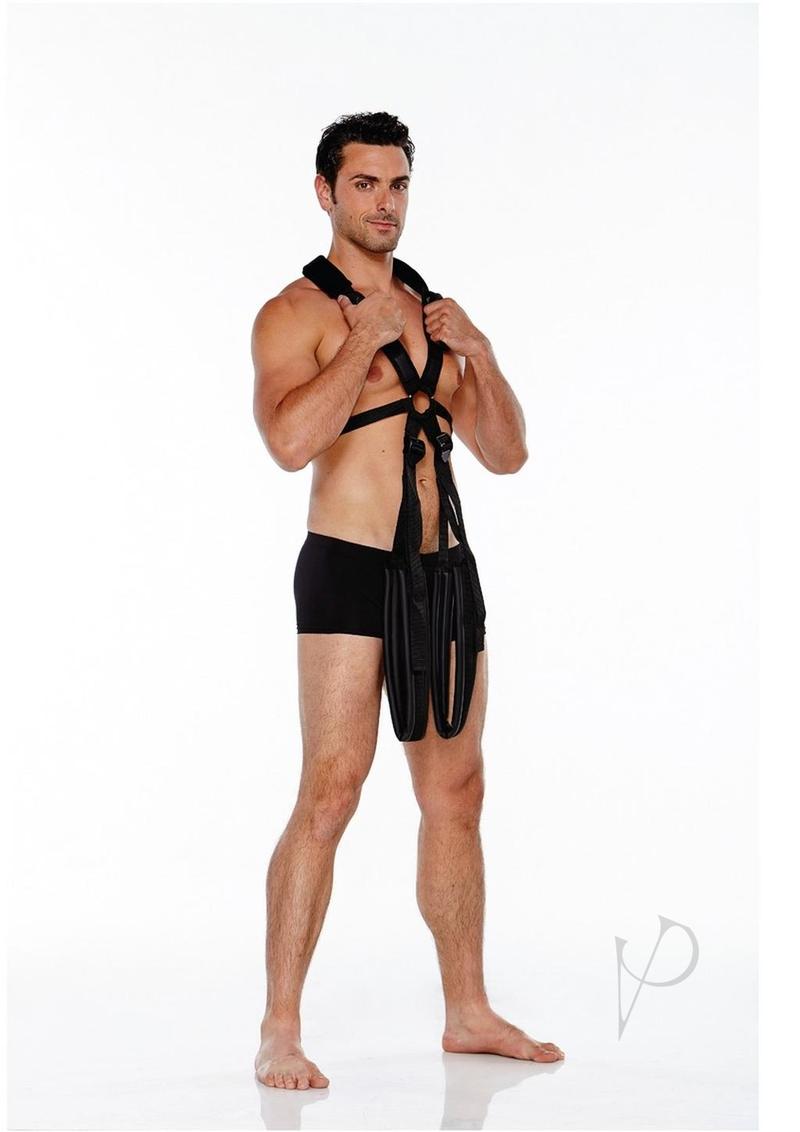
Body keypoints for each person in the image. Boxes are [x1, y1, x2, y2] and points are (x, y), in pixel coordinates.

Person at [251, 111, 564, 1090]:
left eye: (396, 185)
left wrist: (481, 351)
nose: (384, 203)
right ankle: (279, 1028)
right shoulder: (294, 313)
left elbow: (506, 453)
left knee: (457, 794)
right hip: (347, 568)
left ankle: (467, 1010)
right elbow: (289, 442)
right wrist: (363, 343)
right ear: (325, 192)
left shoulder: (434, 314)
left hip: (442, 570)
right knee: (331, 790)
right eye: (364, 185)